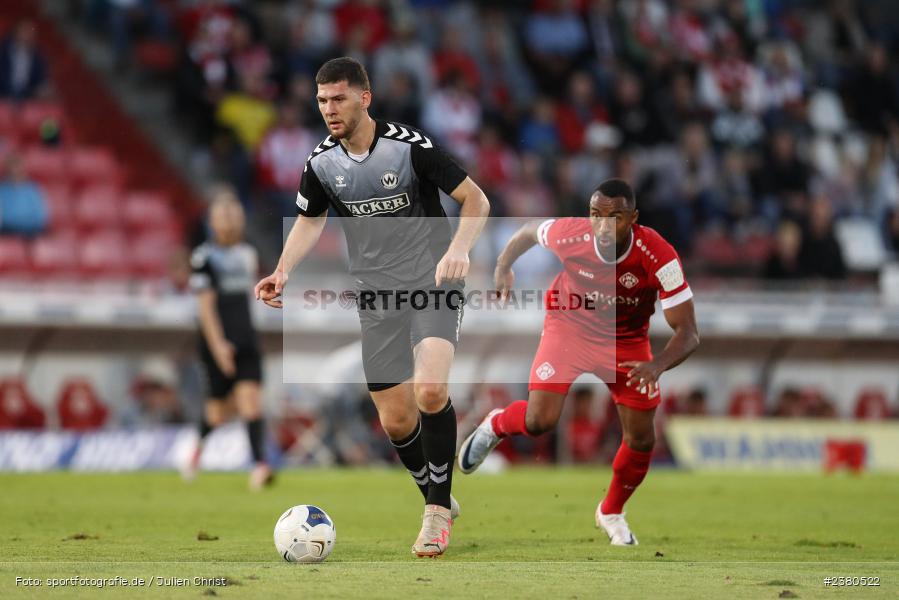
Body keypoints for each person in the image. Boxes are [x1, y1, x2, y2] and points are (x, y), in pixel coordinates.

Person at [254, 57, 490, 557]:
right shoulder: (320, 163)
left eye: (338, 98)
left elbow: (476, 200)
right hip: (377, 296)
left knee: (430, 390)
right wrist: (283, 269)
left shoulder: (410, 147)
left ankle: (436, 514)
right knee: (397, 422)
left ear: (365, 98)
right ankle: (436, 490)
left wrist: (459, 249)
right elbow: (309, 221)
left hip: (432, 283)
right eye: (321, 101)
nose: (328, 110)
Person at [458, 178, 699, 546]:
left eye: (614, 217)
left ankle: (611, 511)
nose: (602, 226)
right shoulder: (571, 234)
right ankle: (496, 424)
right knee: (541, 420)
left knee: (642, 438)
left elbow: (688, 332)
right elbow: (527, 232)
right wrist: (504, 265)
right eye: (595, 215)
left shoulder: (659, 256)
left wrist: (657, 365)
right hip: (569, 326)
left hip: (626, 342)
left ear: (633, 218)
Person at [185, 188, 272, 490]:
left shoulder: (248, 254)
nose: (230, 221)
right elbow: (205, 307)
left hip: (246, 339)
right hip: (217, 344)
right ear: (212, 221)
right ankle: (197, 448)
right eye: (223, 215)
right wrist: (218, 344)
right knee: (218, 413)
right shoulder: (203, 257)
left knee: (251, 403)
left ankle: (260, 466)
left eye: (235, 214)